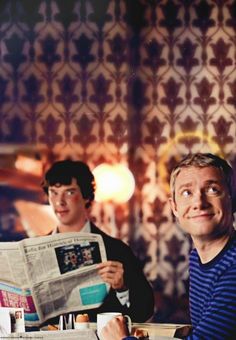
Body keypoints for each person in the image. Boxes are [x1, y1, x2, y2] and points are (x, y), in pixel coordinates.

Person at [101, 153, 236, 339]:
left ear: (232, 199)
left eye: (213, 189)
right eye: (187, 193)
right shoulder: (197, 257)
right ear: (174, 207)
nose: (199, 203)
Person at [41, 159, 154, 324]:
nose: (60, 202)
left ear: (86, 196)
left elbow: (145, 311)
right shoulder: (37, 250)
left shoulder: (117, 250)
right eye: (54, 192)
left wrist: (122, 289)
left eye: (70, 192)